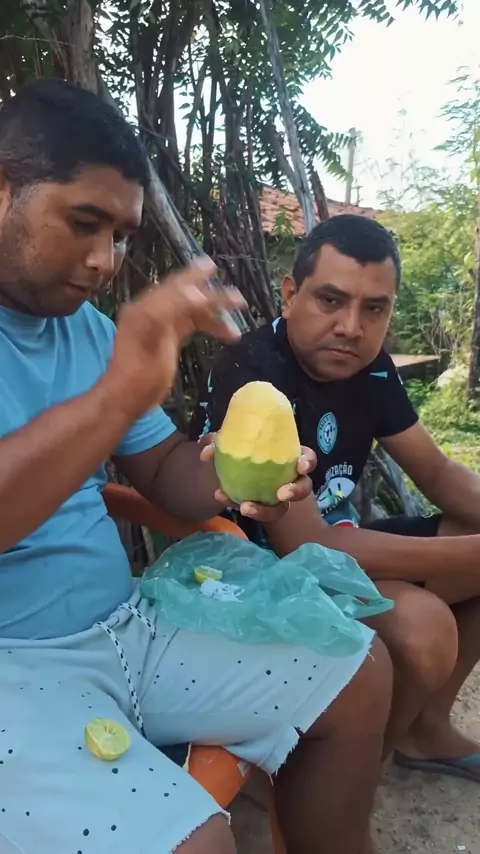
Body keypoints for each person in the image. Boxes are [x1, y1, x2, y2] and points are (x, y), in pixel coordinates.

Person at [0, 79, 394, 854]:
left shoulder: (90, 334)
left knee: (357, 671)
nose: (104, 260)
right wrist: (118, 393)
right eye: (84, 223)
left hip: (126, 627)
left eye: (121, 236)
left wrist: (243, 481)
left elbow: (163, 471)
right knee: (199, 843)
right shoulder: (112, 359)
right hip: (16, 664)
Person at [192, 213, 480, 782]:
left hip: (336, 550)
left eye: (374, 308)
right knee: (424, 630)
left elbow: (438, 472)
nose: (351, 327)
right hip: (256, 569)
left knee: (462, 536)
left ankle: (423, 731)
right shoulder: (257, 375)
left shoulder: (372, 370)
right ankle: (341, 777)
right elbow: (308, 544)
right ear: (290, 294)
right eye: (331, 300)